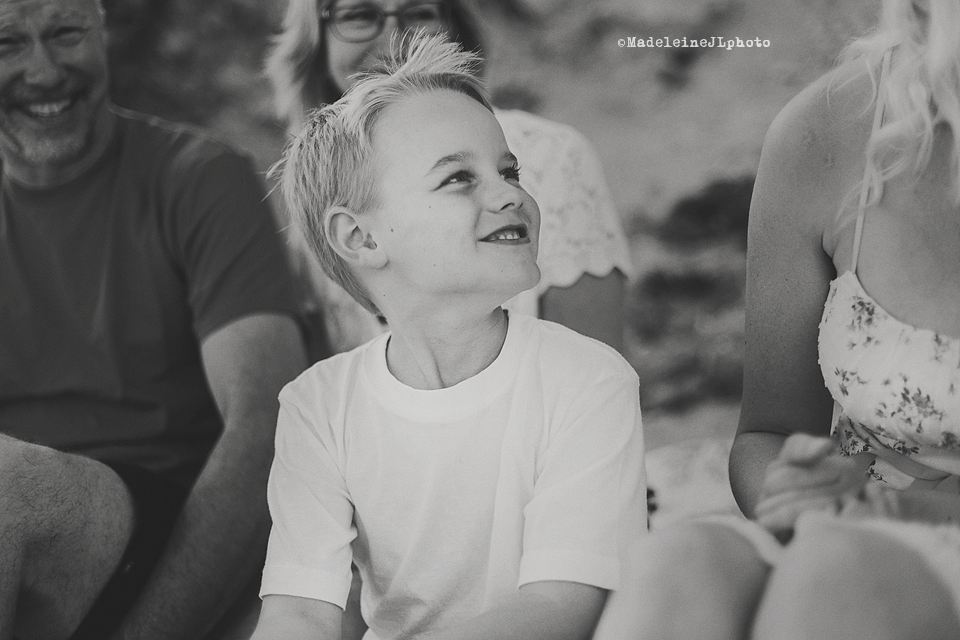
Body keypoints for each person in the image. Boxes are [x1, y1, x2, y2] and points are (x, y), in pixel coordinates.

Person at [251, 34, 646, 640]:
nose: (510, 192)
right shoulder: (318, 408)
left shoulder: (588, 380)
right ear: (360, 239)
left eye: (508, 169)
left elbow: (562, 609)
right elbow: (298, 611)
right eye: (460, 178)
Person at [601, 1, 960, 638]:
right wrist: (795, 487)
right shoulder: (832, 128)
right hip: (847, 528)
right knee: (682, 563)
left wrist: (892, 510)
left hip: (879, 543)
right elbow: (767, 430)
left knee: (842, 573)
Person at [0, 0, 308, 638]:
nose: (44, 70)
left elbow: (268, 422)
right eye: (6, 43)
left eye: (65, 33)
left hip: (156, 521)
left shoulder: (199, 179)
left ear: (102, 31)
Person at [265, 0, 633, 353]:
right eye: (360, 14)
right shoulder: (307, 200)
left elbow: (592, 374)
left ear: (454, 27)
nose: (394, 35)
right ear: (315, 41)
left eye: (420, 11)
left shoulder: (552, 156)